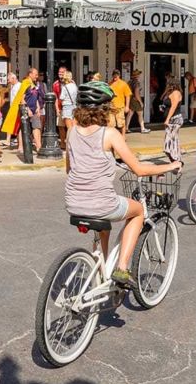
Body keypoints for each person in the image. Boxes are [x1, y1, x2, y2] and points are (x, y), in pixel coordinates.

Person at [65, 81, 182, 289]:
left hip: (73, 203)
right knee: (137, 212)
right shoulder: (109, 134)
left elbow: (69, 169)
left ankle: (100, 270)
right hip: (102, 203)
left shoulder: (72, 132)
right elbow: (139, 169)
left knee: (104, 225)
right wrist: (170, 165)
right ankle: (122, 268)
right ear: (105, 109)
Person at [161, 74, 184, 162]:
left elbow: (173, 107)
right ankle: (175, 160)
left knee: (171, 140)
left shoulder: (176, 93)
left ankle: (177, 161)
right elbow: (163, 99)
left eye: (168, 84)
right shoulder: (170, 93)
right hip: (171, 119)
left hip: (175, 119)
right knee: (170, 140)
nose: (166, 85)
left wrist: (167, 119)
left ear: (171, 85)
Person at [23, 67, 46, 152]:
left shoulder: (34, 84)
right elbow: (22, 98)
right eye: (35, 74)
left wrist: (38, 107)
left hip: (35, 110)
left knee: (37, 127)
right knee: (25, 129)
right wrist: (28, 109)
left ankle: (39, 147)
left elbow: (35, 97)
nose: (37, 76)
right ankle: (23, 147)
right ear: (30, 74)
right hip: (27, 110)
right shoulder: (26, 83)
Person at [108, 70, 132, 134]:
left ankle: (123, 136)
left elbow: (128, 95)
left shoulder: (123, 84)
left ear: (119, 75)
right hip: (111, 107)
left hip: (120, 107)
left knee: (121, 123)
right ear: (112, 75)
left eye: (117, 75)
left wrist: (127, 106)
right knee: (111, 124)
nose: (115, 76)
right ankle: (112, 138)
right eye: (114, 75)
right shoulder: (109, 84)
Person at [59, 70, 78, 138]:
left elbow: (61, 98)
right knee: (74, 127)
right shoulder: (75, 86)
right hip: (74, 106)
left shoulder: (65, 87)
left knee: (69, 128)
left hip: (67, 107)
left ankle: (69, 145)